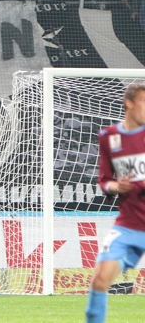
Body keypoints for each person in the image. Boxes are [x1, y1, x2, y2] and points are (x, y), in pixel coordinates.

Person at [84, 83, 145, 323]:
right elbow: (104, 181)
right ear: (129, 103)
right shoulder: (108, 137)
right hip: (128, 226)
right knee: (99, 280)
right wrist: (116, 187)